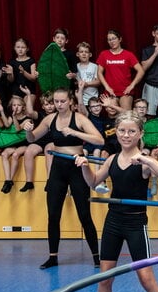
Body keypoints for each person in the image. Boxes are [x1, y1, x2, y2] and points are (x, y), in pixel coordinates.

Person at [75, 110, 158, 292]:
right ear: (117, 132)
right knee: (105, 277)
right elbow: (93, 182)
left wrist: (148, 160)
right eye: (122, 130)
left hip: (135, 222)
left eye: (132, 131)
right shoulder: (111, 159)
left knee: (146, 277)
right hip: (113, 221)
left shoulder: (143, 162)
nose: (126, 135)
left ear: (140, 133)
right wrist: (83, 165)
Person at [23, 87, 104, 269]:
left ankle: (96, 256)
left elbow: (99, 140)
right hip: (58, 168)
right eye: (56, 102)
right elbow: (32, 138)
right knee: (53, 215)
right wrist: (27, 130)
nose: (59, 105)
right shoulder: (49, 119)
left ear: (70, 102)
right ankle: (53, 256)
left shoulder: (80, 119)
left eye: (62, 101)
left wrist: (75, 133)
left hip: (77, 167)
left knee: (84, 214)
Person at [97, 29, 145, 110]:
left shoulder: (128, 55)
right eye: (109, 39)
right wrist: (107, 87)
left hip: (125, 92)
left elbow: (141, 71)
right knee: (112, 115)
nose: (112, 41)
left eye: (114, 38)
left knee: (126, 115)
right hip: (110, 91)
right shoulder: (104, 54)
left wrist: (131, 85)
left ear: (120, 39)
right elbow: (99, 72)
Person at [0, 96, 33, 193]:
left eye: (19, 105)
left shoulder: (27, 119)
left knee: (15, 155)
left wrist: (14, 117)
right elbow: (6, 125)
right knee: (4, 154)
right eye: (14, 105)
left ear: (23, 107)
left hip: (24, 144)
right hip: (13, 143)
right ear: (11, 107)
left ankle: (10, 180)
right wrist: (1, 111)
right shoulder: (11, 116)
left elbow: (18, 129)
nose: (16, 107)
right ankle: (8, 180)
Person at [7, 38, 38, 104]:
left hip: (29, 90)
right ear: (15, 48)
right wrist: (9, 74)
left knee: (28, 112)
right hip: (16, 91)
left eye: (23, 47)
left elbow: (33, 78)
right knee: (17, 111)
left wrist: (24, 72)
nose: (20, 49)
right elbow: (11, 80)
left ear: (27, 49)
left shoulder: (31, 61)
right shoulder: (11, 63)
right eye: (18, 47)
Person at [75, 41, 100, 108]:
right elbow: (74, 82)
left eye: (86, 52)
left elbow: (98, 82)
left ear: (90, 54)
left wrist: (87, 84)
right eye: (81, 52)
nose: (84, 54)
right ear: (77, 54)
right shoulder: (75, 66)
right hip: (80, 99)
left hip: (93, 99)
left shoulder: (94, 66)